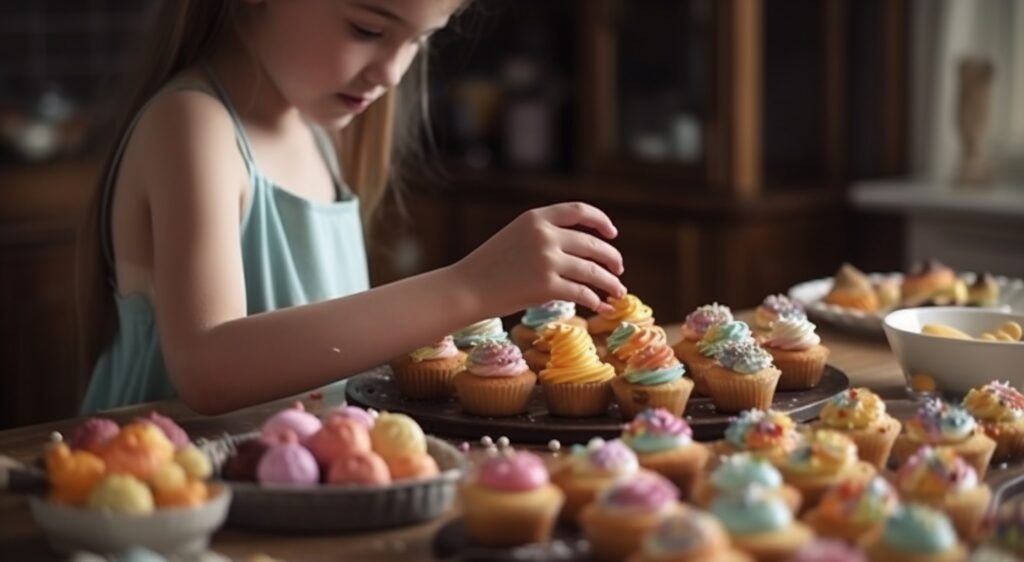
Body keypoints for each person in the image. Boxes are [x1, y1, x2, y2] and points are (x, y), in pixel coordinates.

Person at [76, 0, 625, 415]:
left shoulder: (317, 133)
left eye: (419, 41)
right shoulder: (194, 126)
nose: (392, 73)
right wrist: (471, 288)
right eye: (367, 29)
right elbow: (207, 369)